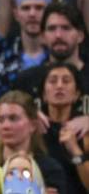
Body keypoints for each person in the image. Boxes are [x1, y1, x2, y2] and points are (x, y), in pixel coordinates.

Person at [14, 2, 89, 115]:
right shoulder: (26, 81)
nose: (58, 35)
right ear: (43, 37)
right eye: (52, 29)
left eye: (66, 28)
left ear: (80, 36)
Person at [0, 90, 68, 193]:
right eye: (0, 120)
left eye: (13, 118)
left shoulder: (51, 170)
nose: (6, 126)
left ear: (33, 125)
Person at [40, 63, 89, 193]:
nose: (59, 86)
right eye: (52, 81)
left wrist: (75, 150)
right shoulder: (33, 129)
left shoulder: (85, 131)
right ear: (44, 95)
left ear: (77, 94)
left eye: (66, 81)